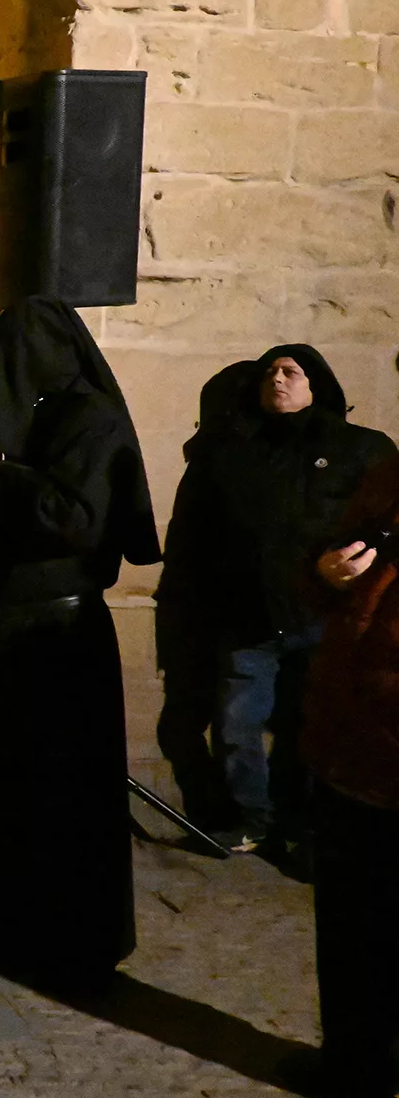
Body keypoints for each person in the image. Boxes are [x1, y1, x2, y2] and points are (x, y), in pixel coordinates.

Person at [0, 295, 160, 988]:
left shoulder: (93, 421)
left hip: (54, 640)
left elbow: (78, 518)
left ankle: (54, 939)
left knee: (53, 799)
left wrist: (2, 478)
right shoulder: (5, 419)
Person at [174, 345, 395, 853]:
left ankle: (307, 826)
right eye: (269, 372)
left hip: (322, 614)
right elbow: (201, 533)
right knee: (236, 725)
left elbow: (386, 517)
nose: (277, 379)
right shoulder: (231, 452)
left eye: (291, 372)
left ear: (315, 384)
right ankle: (253, 818)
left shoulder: (359, 448)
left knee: (314, 725)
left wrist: (357, 562)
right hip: (248, 616)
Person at [305, 448, 399, 1098]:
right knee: (350, 923)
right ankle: (352, 1063)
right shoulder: (386, 474)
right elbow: (332, 557)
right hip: (354, 739)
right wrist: (325, 572)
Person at [153, 359, 260, 833]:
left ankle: (233, 819)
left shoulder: (230, 459)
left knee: (224, 726)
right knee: (199, 725)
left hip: (216, 614)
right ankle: (223, 817)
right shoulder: (220, 458)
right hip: (202, 612)